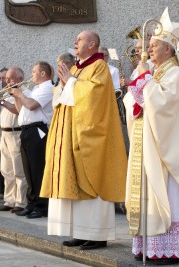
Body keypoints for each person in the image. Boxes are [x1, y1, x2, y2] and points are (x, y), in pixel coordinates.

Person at [124, 8, 179, 263]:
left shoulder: (176, 74)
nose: (148, 49)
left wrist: (144, 81)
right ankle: (148, 245)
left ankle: (169, 247)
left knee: (167, 193)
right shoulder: (156, 72)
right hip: (147, 144)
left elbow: (164, 106)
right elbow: (133, 102)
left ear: (168, 49)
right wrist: (140, 83)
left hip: (168, 151)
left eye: (155, 45)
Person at [40, 30, 127, 250]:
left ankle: (98, 234)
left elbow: (93, 96)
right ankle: (81, 232)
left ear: (92, 44)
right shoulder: (77, 67)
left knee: (93, 181)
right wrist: (63, 83)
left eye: (79, 40)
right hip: (72, 133)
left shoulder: (99, 67)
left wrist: (70, 82)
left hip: (92, 136)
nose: (74, 43)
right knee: (77, 185)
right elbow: (60, 100)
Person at [10, 61, 53, 219]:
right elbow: (22, 109)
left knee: (38, 170)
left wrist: (20, 94)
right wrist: (16, 96)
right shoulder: (36, 88)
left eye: (34, 72)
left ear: (43, 73)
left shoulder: (48, 87)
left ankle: (42, 207)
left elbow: (32, 105)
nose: (31, 75)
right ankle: (31, 203)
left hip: (38, 130)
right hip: (27, 130)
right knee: (28, 171)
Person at [0, 67, 28, 213]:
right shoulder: (5, 93)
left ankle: (21, 202)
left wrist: (1, 102)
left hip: (16, 133)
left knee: (19, 170)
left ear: (19, 78)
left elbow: (18, 110)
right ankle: (9, 200)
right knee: (6, 170)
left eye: (9, 78)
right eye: (5, 79)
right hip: (4, 134)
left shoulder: (22, 92)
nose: (6, 81)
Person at [0, 67, 8, 197]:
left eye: (4, 78)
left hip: (10, 132)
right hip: (0, 132)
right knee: (1, 165)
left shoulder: (12, 92)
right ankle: (2, 190)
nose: (2, 81)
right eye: (0, 78)